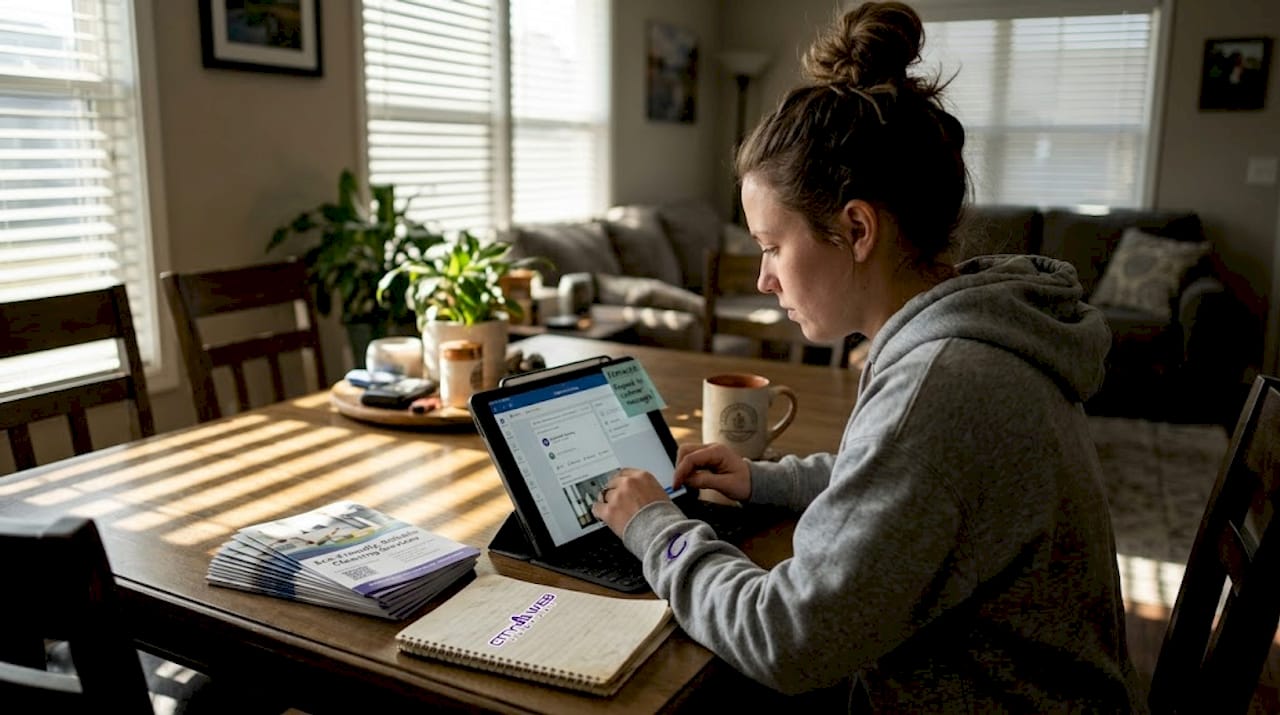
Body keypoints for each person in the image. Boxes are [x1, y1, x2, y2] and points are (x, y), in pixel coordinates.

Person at [591, 2, 1146, 711]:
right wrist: (767, 480)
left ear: (856, 227)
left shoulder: (943, 386)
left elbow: (786, 637)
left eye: (770, 246)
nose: (764, 279)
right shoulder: (974, 335)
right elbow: (910, 482)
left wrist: (654, 529)